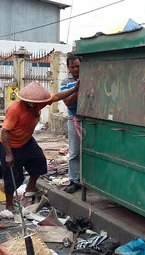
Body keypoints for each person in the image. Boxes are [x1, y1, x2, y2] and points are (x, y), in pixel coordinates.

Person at [0, 80, 79, 210]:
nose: (35, 105)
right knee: (12, 175)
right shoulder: (15, 110)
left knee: (39, 162)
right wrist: (8, 154)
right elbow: (5, 132)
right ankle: (9, 204)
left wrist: (75, 89)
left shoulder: (37, 104)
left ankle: (30, 187)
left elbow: (57, 96)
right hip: (10, 145)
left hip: (27, 141)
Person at [60, 54, 82, 193]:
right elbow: (67, 102)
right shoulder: (65, 82)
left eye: (78, 66)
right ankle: (74, 180)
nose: (75, 69)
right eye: (72, 67)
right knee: (74, 152)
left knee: (88, 151)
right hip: (74, 118)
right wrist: (77, 88)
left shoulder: (88, 77)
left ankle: (86, 179)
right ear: (68, 68)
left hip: (88, 118)